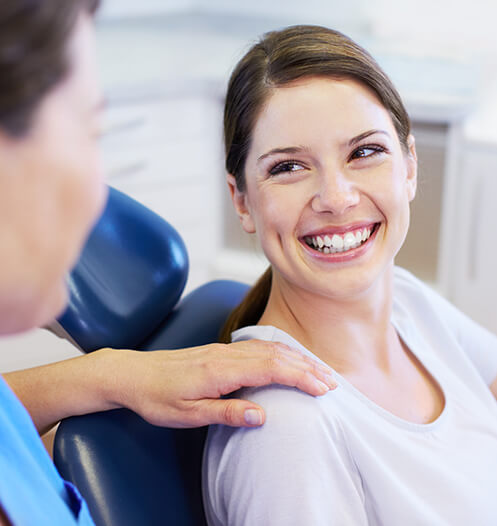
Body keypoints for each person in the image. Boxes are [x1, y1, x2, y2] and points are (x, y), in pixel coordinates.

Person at [0, 3, 337, 524]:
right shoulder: (286, 435)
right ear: (241, 197)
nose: (99, 199)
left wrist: (108, 375)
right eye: (86, 134)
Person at [203, 24, 497, 526]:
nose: (337, 198)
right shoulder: (287, 431)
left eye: (364, 152)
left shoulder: (407, 301)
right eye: (288, 167)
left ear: (408, 167)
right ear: (241, 200)